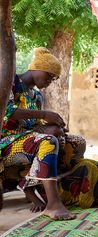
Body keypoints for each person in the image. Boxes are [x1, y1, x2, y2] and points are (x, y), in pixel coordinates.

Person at [0, 48, 74, 220]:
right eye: (48, 75)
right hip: (5, 143)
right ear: (36, 67)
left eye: (54, 78)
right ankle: (53, 204)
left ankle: (36, 187)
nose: (50, 81)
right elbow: (6, 111)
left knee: (75, 143)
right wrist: (44, 115)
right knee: (49, 141)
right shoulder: (10, 83)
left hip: (25, 138)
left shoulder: (37, 96)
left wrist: (57, 128)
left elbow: (35, 125)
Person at [22, 126, 98, 212]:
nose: (62, 139)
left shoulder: (64, 153)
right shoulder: (43, 157)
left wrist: (70, 172)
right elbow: (25, 186)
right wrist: (38, 203)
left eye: (63, 136)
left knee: (88, 163)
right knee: (86, 166)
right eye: (56, 136)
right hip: (54, 195)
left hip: (64, 187)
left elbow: (72, 168)